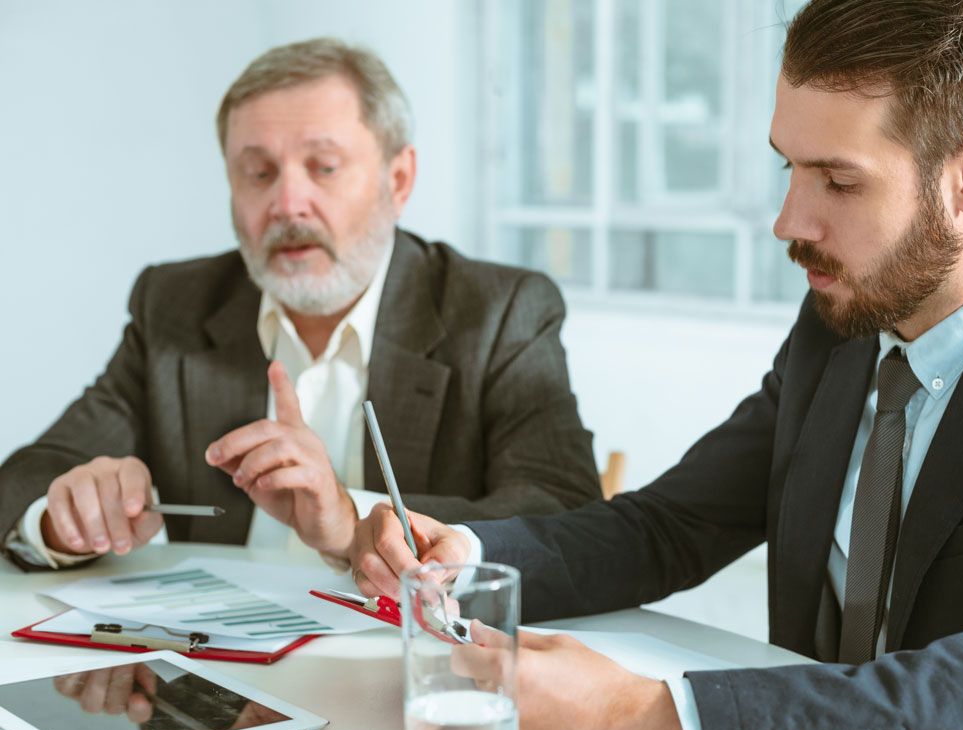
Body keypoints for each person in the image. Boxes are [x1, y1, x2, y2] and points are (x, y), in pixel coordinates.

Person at [346, 2, 963, 730]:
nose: (789, 220)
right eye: (789, 168)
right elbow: (672, 525)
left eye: (838, 180)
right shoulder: (841, 324)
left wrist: (661, 724)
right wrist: (466, 551)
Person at [0, 38, 601, 572]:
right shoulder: (175, 304)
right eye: (258, 173)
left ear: (398, 180)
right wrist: (63, 517)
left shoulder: (499, 311)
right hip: (219, 675)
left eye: (325, 168)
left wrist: (350, 521)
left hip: (412, 669)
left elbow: (563, 512)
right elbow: (27, 478)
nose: (287, 203)